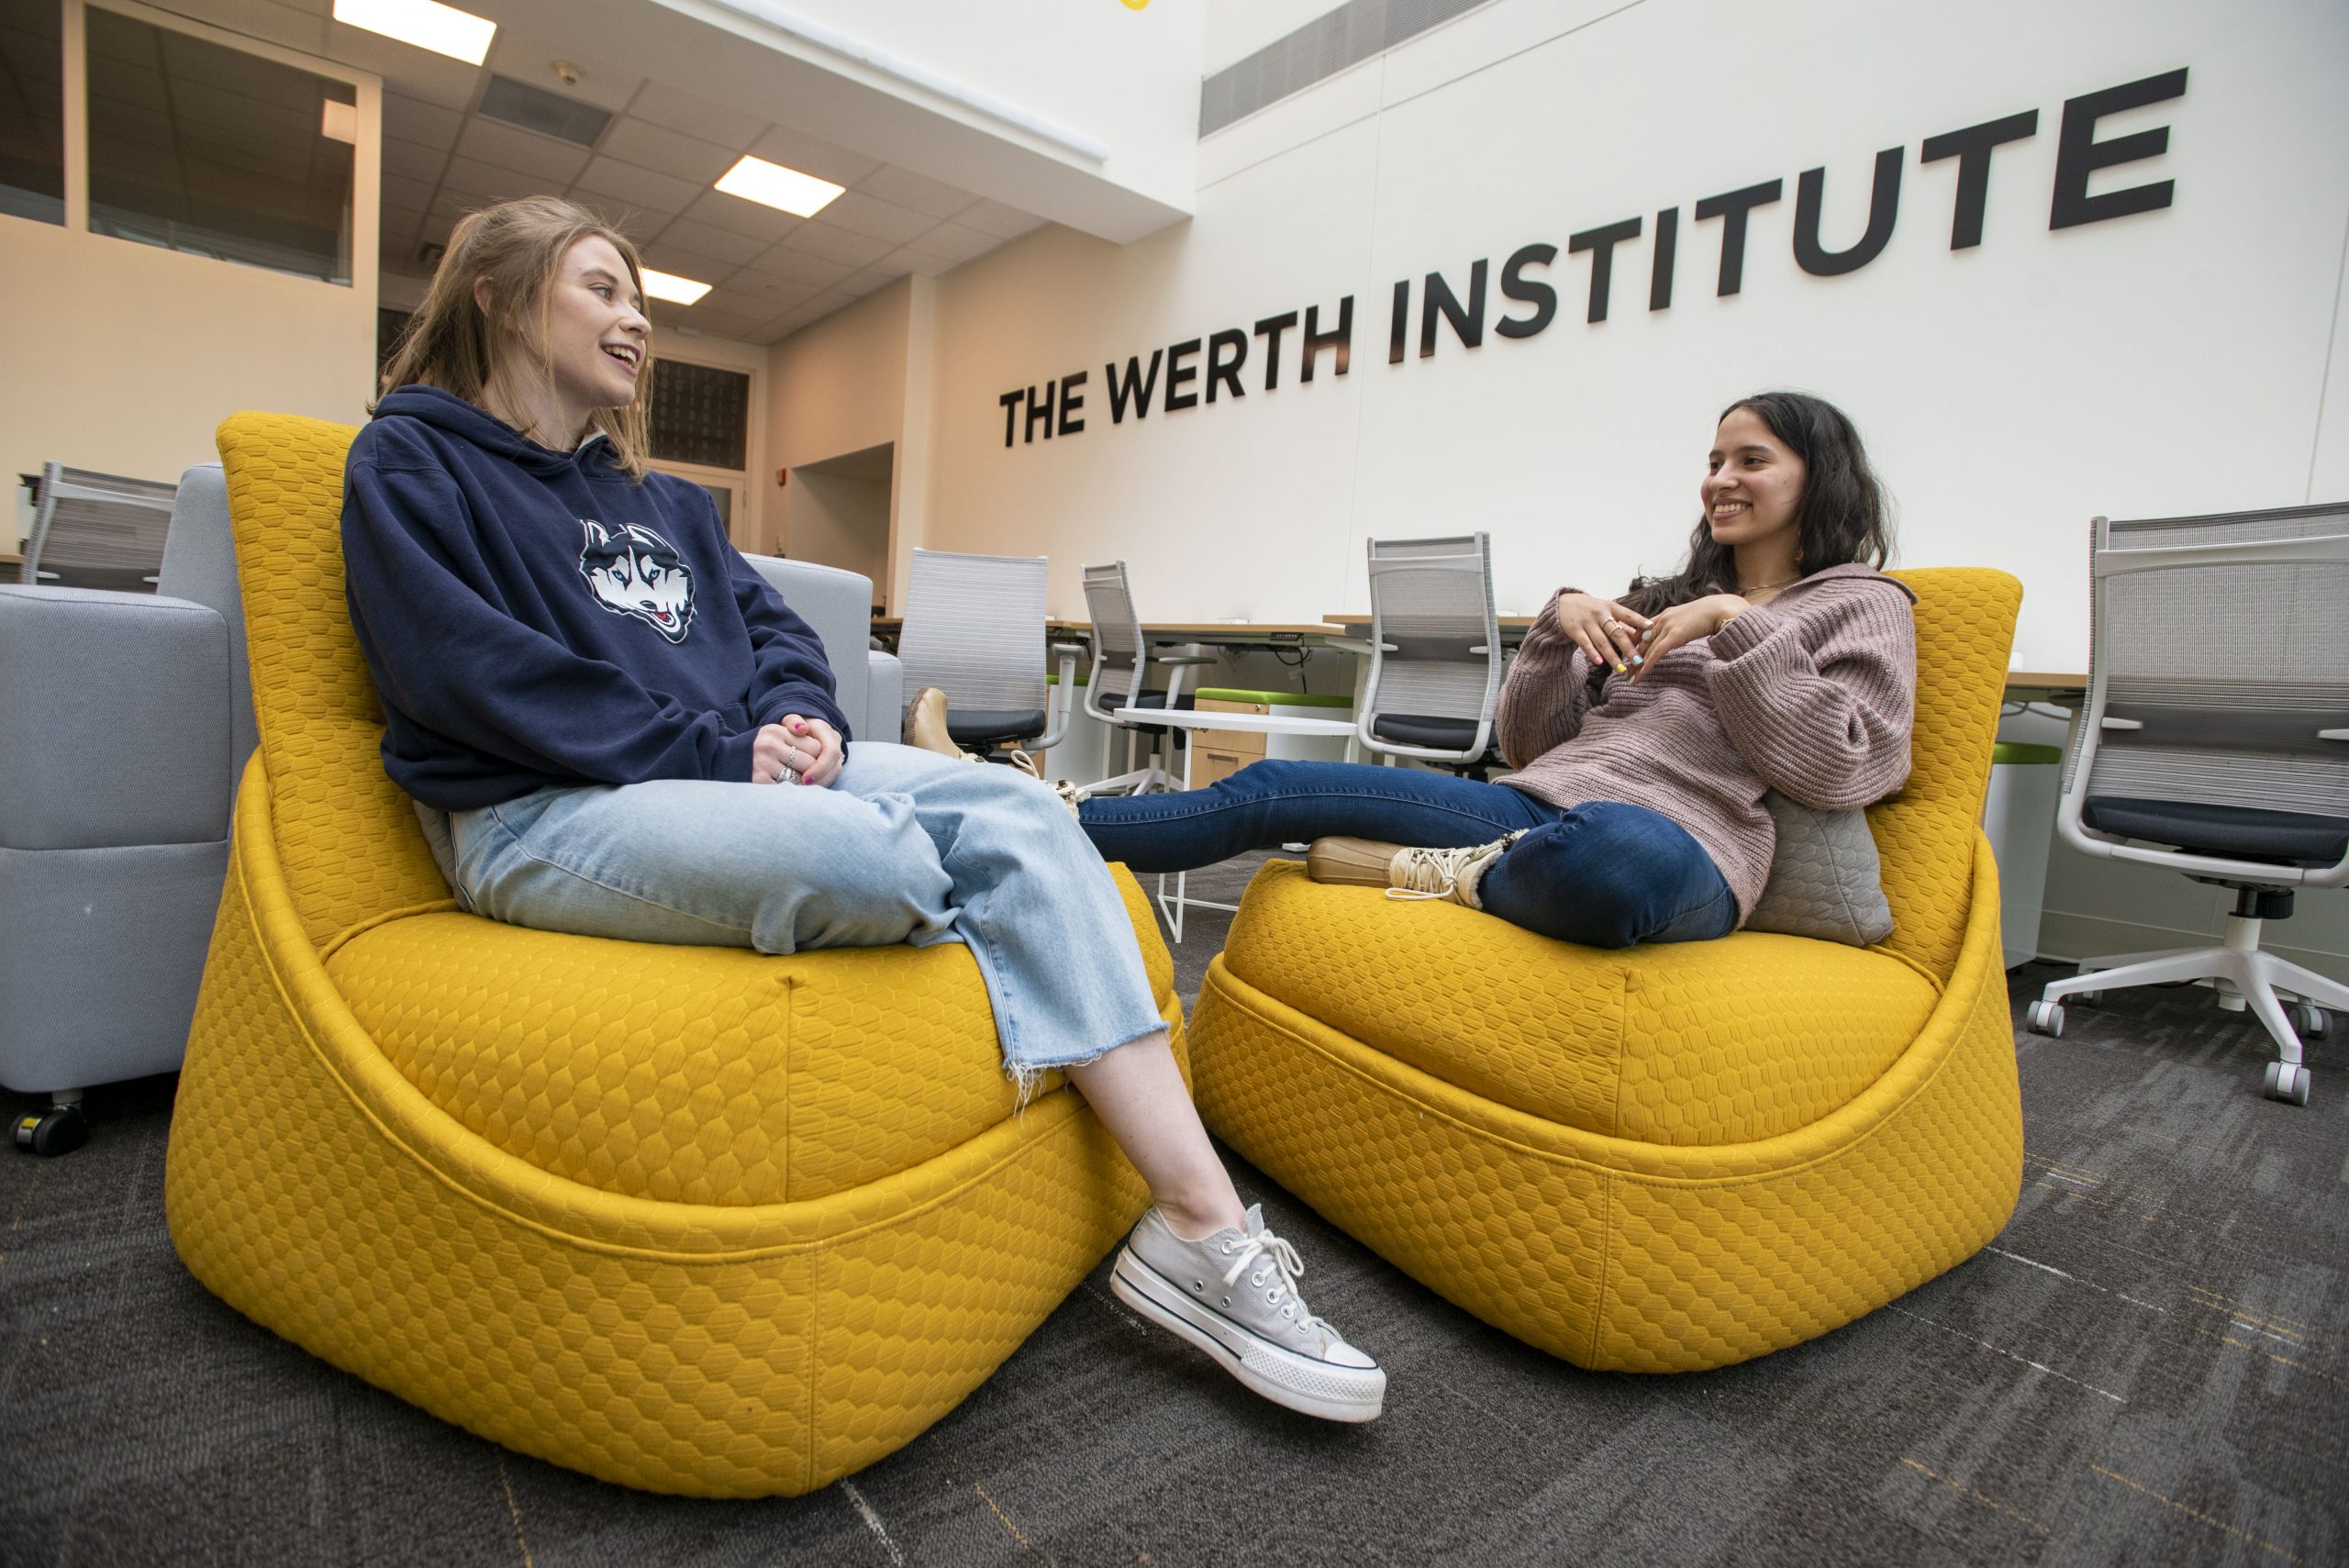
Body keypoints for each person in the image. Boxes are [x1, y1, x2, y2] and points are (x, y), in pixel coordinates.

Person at [340, 195, 1385, 1424]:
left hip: (722, 768)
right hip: (540, 807)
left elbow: (776, 630)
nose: (635, 322)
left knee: (1025, 814)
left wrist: (806, 721)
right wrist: (727, 755)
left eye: (641, 299)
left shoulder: (666, 502)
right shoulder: (408, 463)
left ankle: (1201, 1231)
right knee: (872, 860)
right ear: (499, 297)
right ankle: (1048, 978)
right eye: (600, 290)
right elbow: (467, 677)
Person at [1078, 392, 1917, 948]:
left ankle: (1460, 874)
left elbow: (1848, 765)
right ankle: (1027, 811)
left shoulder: (1863, 604)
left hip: (1689, 842)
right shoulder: (1667, 597)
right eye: (1714, 460)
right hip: (1535, 805)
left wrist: (1739, 626)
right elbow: (1532, 742)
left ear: (1819, 477)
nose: (1719, 480)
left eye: (1751, 460)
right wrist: (1557, 630)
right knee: (1272, 785)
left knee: (1617, 857)